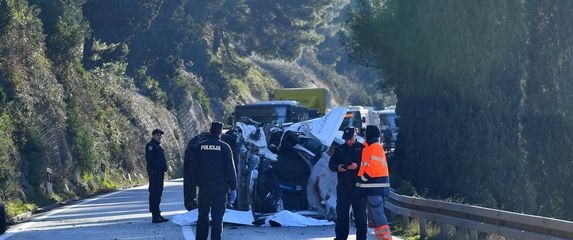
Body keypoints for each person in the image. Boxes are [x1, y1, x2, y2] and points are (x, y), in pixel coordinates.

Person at [193, 122, 237, 240]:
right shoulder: (225, 147)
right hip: (219, 188)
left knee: (203, 216)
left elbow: (193, 168)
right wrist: (233, 188)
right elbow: (230, 169)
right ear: (220, 133)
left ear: (210, 131)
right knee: (217, 217)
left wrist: (195, 185)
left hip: (204, 188)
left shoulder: (199, 147)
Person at [328, 127, 367, 240]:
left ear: (355, 136)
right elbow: (331, 164)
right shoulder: (339, 149)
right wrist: (338, 167)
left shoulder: (362, 148)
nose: (348, 141)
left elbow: (368, 164)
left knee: (360, 216)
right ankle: (340, 238)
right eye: (346, 139)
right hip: (343, 187)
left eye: (350, 139)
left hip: (358, 187)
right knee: (342, 216)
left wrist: (357, 166)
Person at [355, 125, 392, 240]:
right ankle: (381, 238)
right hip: (371, 188)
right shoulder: (369, 147)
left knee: (378, 216)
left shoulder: (375, 147)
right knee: (375, 218)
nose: (364, 134)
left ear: (370, 134)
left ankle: (386, 239)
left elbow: (373, 168)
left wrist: (362, 179)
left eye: (366, 133)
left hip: (374, 187)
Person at [146, 128, 169, 223]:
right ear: (153, 136)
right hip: (155, 174)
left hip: (159, 174)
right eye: (157, 135)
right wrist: (159, 167)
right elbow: (150, 160)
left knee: (158, 194)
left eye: (160, 135)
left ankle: (158, 214)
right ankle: (155, 216)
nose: (159, 137)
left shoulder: (157, 146)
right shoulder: (151, 146)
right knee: (154, 194)